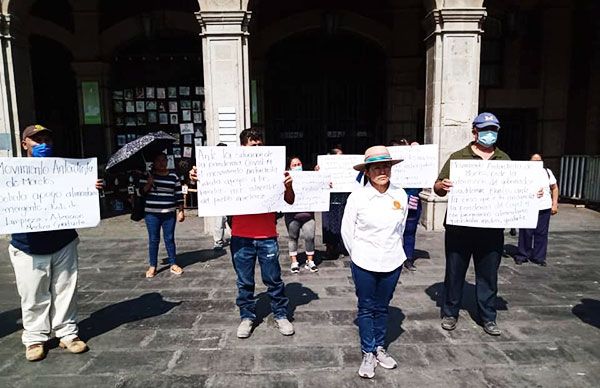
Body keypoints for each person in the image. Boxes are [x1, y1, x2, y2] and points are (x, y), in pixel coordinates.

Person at [8, 124, 104, 361]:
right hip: (28, 244)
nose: (43, 145)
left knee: (65, 289)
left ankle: (67, 333)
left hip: (63, 241)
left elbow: (80, 193)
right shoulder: (11, 173)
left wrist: (91, 187)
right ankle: (34, 338)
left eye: (47, 141)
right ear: (24, 144)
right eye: (36, 141)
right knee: (33, 293)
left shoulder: (67, 169)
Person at [189, 128, 295, 339]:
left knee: (273, 279)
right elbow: (211, 187)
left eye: (259, 144)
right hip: (241, 237)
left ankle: (281, 314)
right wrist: (197, 177)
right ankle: (247, 316)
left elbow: (290, 201)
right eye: (251, 144)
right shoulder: (231, 168)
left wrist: (289, 187)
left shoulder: (274, 169)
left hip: (267, 236)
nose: (256, 147)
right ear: (242, 147)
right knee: (244, 281)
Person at [433, 112, 510, 337]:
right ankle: (450, 312)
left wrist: (532, 193)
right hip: (460, 228)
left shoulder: (504, 159)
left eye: (493, 130)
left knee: (488, 275)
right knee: (455, 272)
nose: (489, 134)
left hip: (492, 228)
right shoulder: (458, 157)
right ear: (474, 132)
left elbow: (516, 189)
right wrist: (442, 185)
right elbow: (437, 187)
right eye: (485, 130)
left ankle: (488, 316)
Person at [341, 145, 408, 379]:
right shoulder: (358, 197)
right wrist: (359, 256)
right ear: (367, 172)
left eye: (386, 166)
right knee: (366, 306)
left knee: (383, 306)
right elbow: (347, 232)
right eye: (377, 167)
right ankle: (368, 351)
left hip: (392, 260)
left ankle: (380, 347)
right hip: (364, 262)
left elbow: (401, 229)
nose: (382, 171)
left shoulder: (400, 195)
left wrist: (394, 253)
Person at [139, 152, 185, 278]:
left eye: (164, 160)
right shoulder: (147, 175)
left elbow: (179, 194)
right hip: (152, 214)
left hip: (169, 213)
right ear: (153, 162)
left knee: (169, 238)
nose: (162, 163)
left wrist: (181, 210)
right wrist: (149, 183)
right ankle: (152, 265)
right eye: (158, 160)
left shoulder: (173, 176)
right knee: (154, 239)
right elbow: (141, 193)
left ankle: (173, 263)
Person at [514, 153, 559, 266]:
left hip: (544, 207)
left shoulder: (547, 172)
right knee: (525, 232)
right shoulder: (523, 173)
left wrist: (554, 204)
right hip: (528, 207)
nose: (536, 163)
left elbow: (554, 188)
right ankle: (523, 255)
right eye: (534, 160)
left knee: (541, 233)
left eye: (539, 160)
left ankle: (539, 257)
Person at [285, 156, 318, 274]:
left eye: (299, 164)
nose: (298, 167)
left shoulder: (310, 178)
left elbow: (320, 187)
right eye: (294, 165)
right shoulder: (285, 179)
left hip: (308, 215)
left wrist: (319, 176)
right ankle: (294, 262)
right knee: (293, 237)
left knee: (310, 237)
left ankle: (310, 261)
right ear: (289, 168)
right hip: (292, 215)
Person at [321, 145, 350, 259]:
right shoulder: (325, 168)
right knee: (329, 225)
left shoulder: (348, 168)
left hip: (343, 200)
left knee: (343, 225)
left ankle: (342, 247)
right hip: (329, 201)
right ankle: (330, 248)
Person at [400, 141, 423, 272]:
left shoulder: (421, 167)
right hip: (395, 204)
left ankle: (408, 258)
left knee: (409, 231)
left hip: (413, 203)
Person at [213, 142, 229, 250]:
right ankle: (218, 241)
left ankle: (236, 237)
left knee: (232, 219)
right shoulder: (212, 164)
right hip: (218, 195)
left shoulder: (232, 162)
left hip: (231, 194)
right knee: (219, 220)